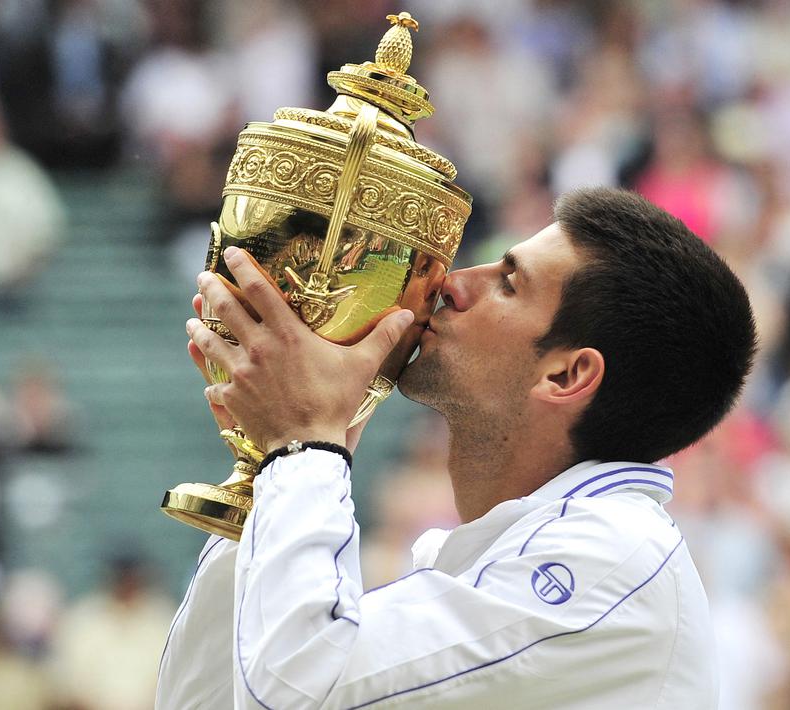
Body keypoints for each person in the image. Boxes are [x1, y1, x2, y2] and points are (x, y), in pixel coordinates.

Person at [158, 187, 757, 708]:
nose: (453, 282)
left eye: (507, 282)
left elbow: (297, 692)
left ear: (566, 376)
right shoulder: (494, 552)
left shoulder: (609, 556)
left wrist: (305, 445)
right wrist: (271, 463)